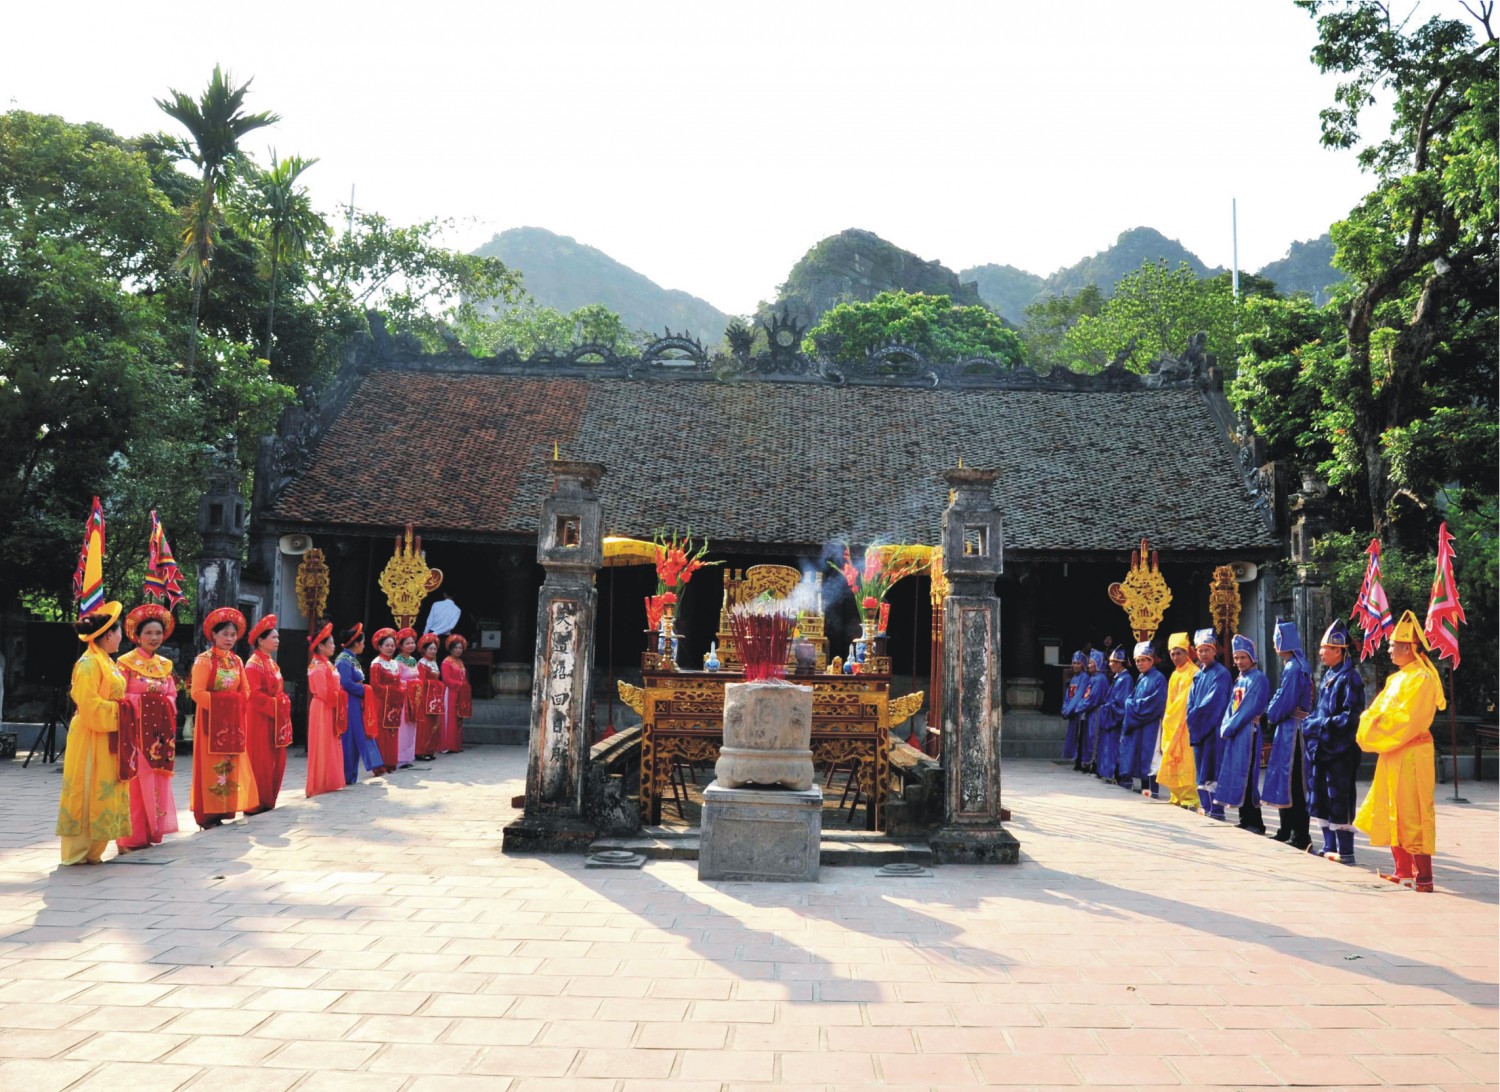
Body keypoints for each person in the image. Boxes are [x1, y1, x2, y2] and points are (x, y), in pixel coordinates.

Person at [1355, 610, 1442, 891]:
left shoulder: (1422, 679)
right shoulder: (1397, 679)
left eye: (1393, 645)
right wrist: (1372, 725)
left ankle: (1424, 876)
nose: (1389, 649)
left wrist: (1376, 726)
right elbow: (1375, 711)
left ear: (1408, 647)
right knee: (1390, 806)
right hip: (1392, 751)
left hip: (1412, 752)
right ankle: (1403, 869)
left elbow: (1406, 719)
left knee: (1413, 810)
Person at [57, 602, 132, 864]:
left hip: (107, 734)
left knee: (104, 788)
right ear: (109, 634)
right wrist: (123, 711)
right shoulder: (89, 663)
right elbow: (89, 705)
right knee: (87, 788)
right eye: (120, 632)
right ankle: (77, 852)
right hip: (91, 735)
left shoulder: (106, 661)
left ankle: (93, 851)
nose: (122, 637)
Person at [116, 604, 182, 851]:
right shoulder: (125, 662)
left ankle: (153, 831)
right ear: (137, 635)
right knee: (136, 782)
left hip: (159, 736)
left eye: (158, 633)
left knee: (156, 779)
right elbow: (120, 696)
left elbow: (172, 695)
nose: (154, 638)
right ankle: (132, 836)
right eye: (148, 633)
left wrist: (163, 703)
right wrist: (147, 702)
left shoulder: (165, 664)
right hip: (135, 733)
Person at [1304, 620, 1366, 864]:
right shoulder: (1330, 674)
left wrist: (1319, 724)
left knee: (1339, 796)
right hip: (1322, 746)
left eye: (1325, 648)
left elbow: (1351, 716)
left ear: (1339, 651)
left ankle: (1346, 851)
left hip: (1340, 748)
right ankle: (1329, 845)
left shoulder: (1351, 678)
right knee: (1320, 794)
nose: (1321, 653)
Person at [190, 608, 258, 829]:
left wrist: (232, 704)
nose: (229, 639)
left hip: (232, 723)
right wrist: (225, 704)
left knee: (230, 765)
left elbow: (246, 691)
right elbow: (197, 693)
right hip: (210, 722)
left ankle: (226, 809)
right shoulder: (204, 661)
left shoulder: (237, 661)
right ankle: (208, 815)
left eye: (232, 635)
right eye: (225, 634)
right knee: (211, 768)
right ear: (214, 636)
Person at [1263, 619, 1315, 849]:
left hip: (1293, 729)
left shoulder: (1294, 667)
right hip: (1289, 727)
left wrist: (1270, 713)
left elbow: (1285, 699)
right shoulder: (1294, 665)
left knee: (1293, 781)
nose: (1274, 643)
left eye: (1277, 639)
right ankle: (1286, 830)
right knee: (1285, 780)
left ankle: (1299, 835)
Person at [1215, 635, 1269, 834]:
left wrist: (1229, 727)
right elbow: (1231, 706)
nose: (1239, 662)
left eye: (1243, 658)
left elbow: (1248, 708)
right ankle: (1244, 818)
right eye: (1236, 658)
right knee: (1237, 774)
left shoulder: (1258, 679)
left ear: (1252, 657)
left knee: (1248, 775)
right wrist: (1225, 724)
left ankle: (1256, 821)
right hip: (1236, 731)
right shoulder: (1240, 679)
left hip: (1248, 731)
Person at [243, 614, 291, 813]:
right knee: (260, 758)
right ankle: (256, 800)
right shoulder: (253, 664)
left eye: (278, 637)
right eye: (273, 637)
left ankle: (268, 798)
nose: (277, 641)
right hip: (259, 718)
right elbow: (254, 695)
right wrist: (278, 703)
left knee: (274, 758)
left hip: (274, 717)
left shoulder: (271, 662)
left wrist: (281, 701)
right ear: (260, 640)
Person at [1186, 629, 1233, 819]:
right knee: (1201, 769)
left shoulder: (1222, 674)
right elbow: (1191, 701)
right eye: (1200, 650)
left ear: (1215, 651)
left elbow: (1214, 702)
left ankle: (1217, 810)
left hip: (1213, 728)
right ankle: (1205, 807)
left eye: (1207, 650)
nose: (1203, 653)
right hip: (1199, 727)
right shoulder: (1198, 675)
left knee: (1213, 767)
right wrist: (1191, 714)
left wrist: (1195, 715)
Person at [335, 624, 386, 781]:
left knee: (357, 737)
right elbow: (345, 683)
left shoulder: (350, 658)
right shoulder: (344, 660)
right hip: (350, 703)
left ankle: (351, 775)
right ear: (356, 643)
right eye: (363, 642)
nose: (364, 645)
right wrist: (365, 690)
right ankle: (346, 775)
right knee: (350, 737)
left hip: (356, 702)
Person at [1156, 632, 1199, 809]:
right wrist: (1167, 719)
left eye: (1179, 653)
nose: (1175, 657)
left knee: (1186, 759)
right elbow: (1170, 701)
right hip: (1172, 722)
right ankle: (1176, 794)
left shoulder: (1194, 672)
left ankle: (1190, 797)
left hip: (1185, 723)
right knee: (1173, 757)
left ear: (1187, 653)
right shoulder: (1174, 674)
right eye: (1172, 654)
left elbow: (1185, 700)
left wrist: (1174, 718)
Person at [305, 623, 346, 798]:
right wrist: (338, 698)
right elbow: (322, 691)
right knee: (321, 743)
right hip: (322, 706)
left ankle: (330, 779)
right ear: (320, 646)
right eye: (331, 643)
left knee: (331, 741)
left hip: (331, 705)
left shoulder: (327, 664)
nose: (334, 646)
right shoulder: (316, 665)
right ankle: (320, 782)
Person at [1123, 642, 1167, 796]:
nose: (1139, 663)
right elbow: (1131, 699)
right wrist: (1131, 704)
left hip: (1152, 723)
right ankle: (1144, 787)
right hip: (1140, 722)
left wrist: (1132, 706)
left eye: (1143, 660)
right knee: (1140, 753)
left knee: (1152, 755)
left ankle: (1153, 790)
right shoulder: (1141, 678)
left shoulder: (1159, 678)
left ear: (1151, 660)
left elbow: (1156, 702)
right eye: (1137, 661)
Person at [368, 628, 404, 772]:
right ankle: (380, 764)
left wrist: (400, 691)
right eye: (387, 645)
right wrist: (395, 691)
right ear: (380, 646)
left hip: (393, 703)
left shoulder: (395, 663)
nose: (390, 648)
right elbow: (375, 686)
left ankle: (391, 762)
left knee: (393, 732)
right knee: (382, 733)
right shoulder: (376, 663)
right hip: (382, 703)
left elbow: (398, 682)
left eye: (392, 645)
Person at [1096, 647, 1132, 784]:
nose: (1110, 664)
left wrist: (1106, 708)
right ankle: (1108, 773)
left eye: (1113, 662)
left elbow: (1121, 704)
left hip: (1115, 721)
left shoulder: (1126, 679)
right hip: (1110, 717)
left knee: (1114, 749)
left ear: (1120, 663)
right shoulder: (1118, 678)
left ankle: (1115, 775)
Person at [1077, 651, 1109, 774]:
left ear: (1098, 664)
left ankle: (1093, 764)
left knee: (1093, 738)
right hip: (1091, 713)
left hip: (1096, 713)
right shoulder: (1094, 678)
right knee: (1088, 738)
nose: (1088, 665)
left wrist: (1079, 707)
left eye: (1090, 662)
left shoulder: (1100, 679)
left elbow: (1092, 699)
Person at [413, 633, 444, 761]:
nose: (433, 651)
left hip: (434, 698)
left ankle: (430, 750)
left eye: (435, 649)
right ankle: (420, 751)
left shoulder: (434, 663)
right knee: (424, 725)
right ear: (424, 650)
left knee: (434, 724)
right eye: (430, 648)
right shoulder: (422, 663)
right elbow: (421, 681)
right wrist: (436, 683)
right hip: (425, 697)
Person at [439, 634, 471, 754]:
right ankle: (446, 745)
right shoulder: (447, 662)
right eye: (456, 647)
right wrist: (460, 684)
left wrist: (465, 686)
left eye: (460, 648)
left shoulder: (460, 662)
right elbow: (446, 679)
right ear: (451, 648)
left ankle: (456, 744)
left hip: (460, 692)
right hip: (450, 692)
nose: (458, 650)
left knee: (458, 718)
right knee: (450, 718)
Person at [394, 628, 420, 768]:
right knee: (403, 726)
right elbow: (396, 680)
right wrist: (410, 684)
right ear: (401, 645)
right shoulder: (397, 661)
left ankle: (408, 757)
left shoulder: (413, 660)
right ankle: (399, 757)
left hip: (413, 697)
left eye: (412, 643)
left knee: (412, 726)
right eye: (408, 643)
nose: (411, 645)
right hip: (403, 697)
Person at [1061, 651, 1087, 769]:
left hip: (1078, 712)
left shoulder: (1084, 678)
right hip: (1072, 712)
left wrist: (1068, 710)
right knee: (1073, 737)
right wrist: (1065, 708)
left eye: (1078, 663)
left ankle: (1079, 762)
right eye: (1074, 663)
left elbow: (1079, 695)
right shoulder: (1074, 678)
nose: (1076, 665)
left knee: (1079, 737)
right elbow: (1068, 695)